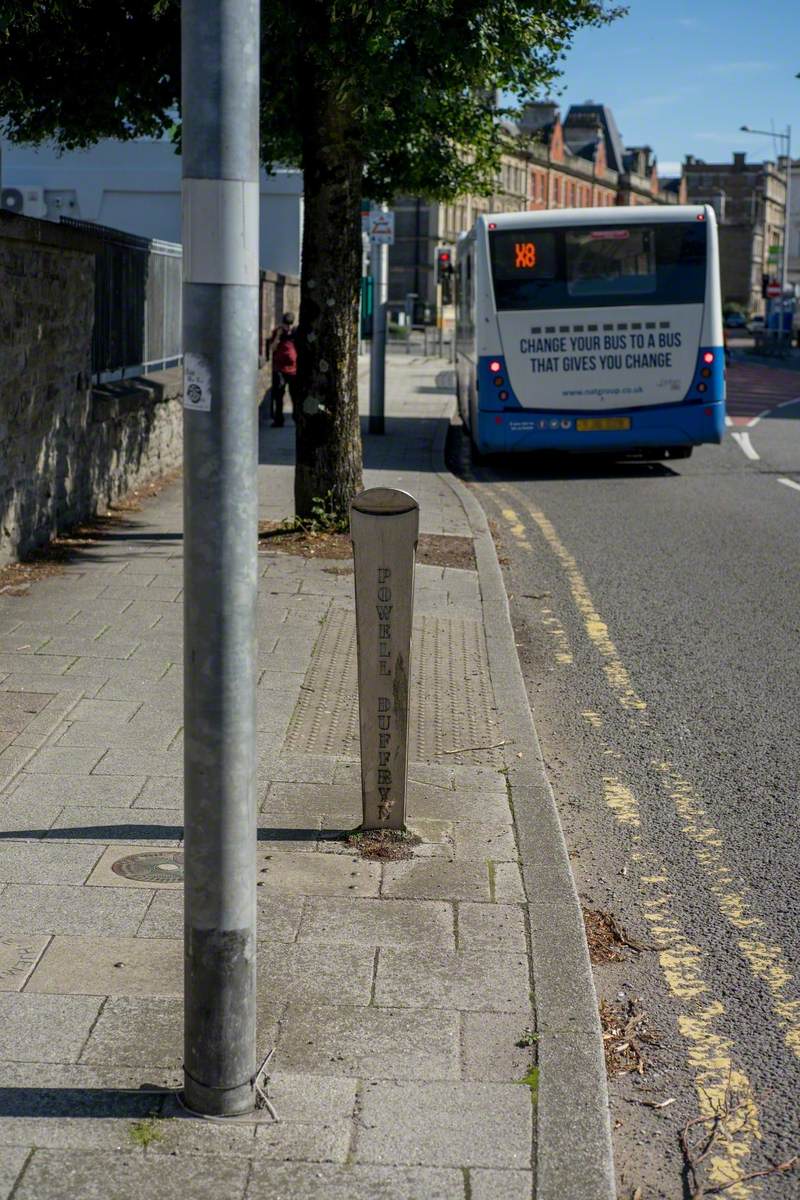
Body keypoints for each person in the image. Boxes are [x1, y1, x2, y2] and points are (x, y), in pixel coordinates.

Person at [269, 312, 298, 426]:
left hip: (294, 369)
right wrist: (277, 336)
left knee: (295, 395)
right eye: (287, 324)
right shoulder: (278, 333)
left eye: (290, 324)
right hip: (280, 369)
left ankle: (296, 418)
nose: (289, 327)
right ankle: (279, 420)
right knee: (279, 395)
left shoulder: (296, 333)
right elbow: (272, 348)